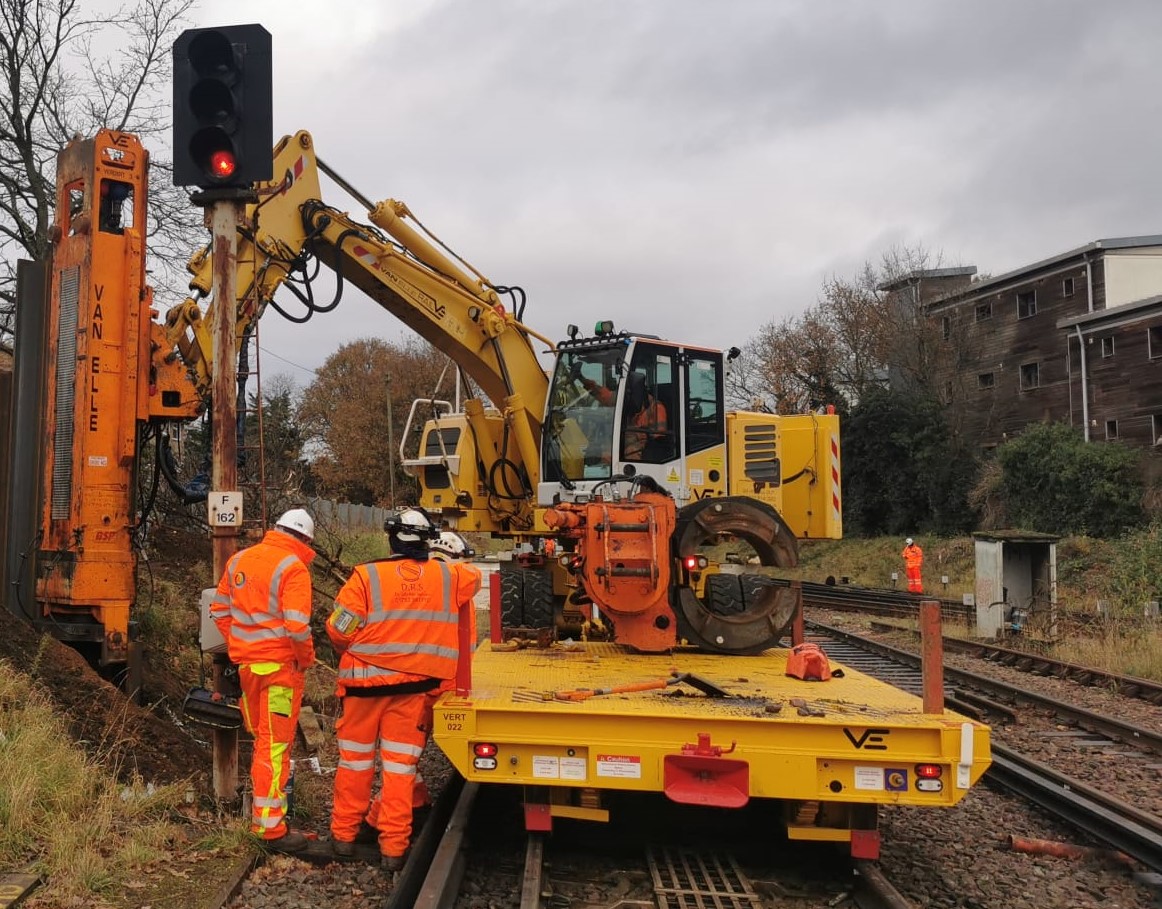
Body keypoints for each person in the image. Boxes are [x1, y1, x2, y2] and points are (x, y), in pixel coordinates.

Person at [326, 510, 477, 873]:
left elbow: (339, 630)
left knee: (355, 763)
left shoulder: (366, 577)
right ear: (429, 541)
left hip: (363, 690)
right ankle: (394, 849)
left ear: (391, 538)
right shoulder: (450, 577)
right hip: (413, 692)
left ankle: (343, 837)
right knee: (399, 770)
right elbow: (471, 575)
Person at [209, 508, 317, 854]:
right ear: (304, 540)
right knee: (274, 746)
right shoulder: (294, 569)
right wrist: (306, 658)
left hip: (248, 671)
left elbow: (220, 610)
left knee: (263, 743)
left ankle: (266, 817)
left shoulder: (240, 560)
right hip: (279, 673)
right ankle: (270, 827)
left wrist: (242, 644)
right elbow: (298, 627)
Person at [622, 371, 669, 460]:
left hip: (647, 445)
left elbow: (659, 438)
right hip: (630, 439)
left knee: (630, 451)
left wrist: (636, 435)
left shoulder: (656, 408)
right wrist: (592, 386)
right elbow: (608, 397)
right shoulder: (630, 406)